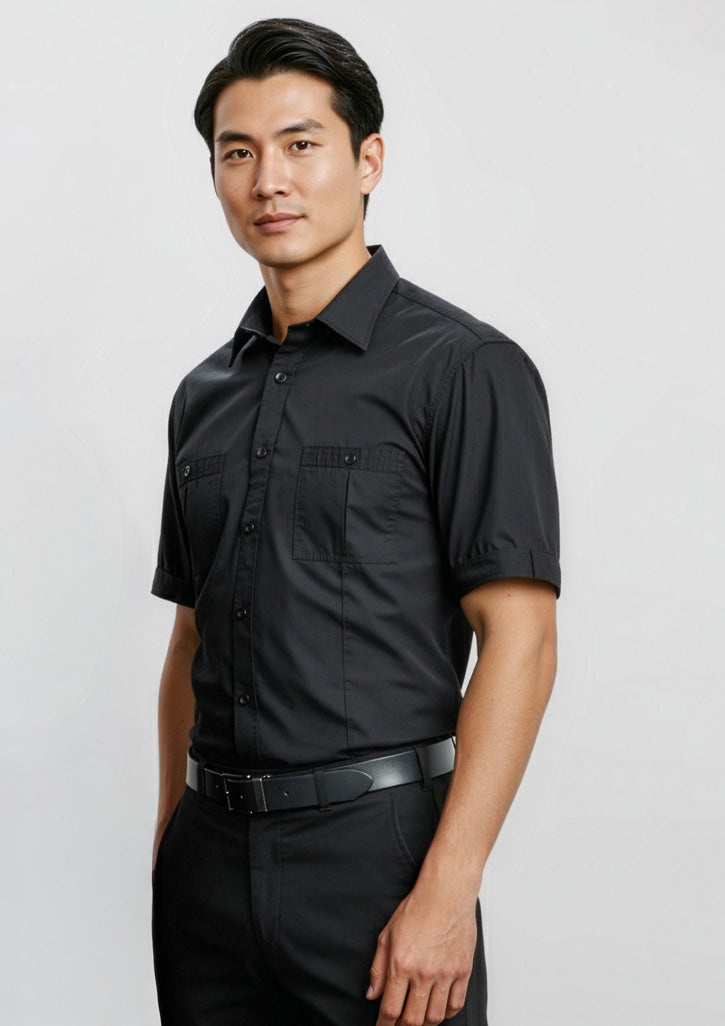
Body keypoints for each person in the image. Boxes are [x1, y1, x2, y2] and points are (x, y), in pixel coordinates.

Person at [149, 16, 561, 1026]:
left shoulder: (463, 369)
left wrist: (447, 888)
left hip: (376, 864)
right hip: (208, 871)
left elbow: (520, 637)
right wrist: (170, 841)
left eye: (301, 144)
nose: (268, 181)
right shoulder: (203, 395)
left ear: (367, 160)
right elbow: (190, 639)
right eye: (237, 153)